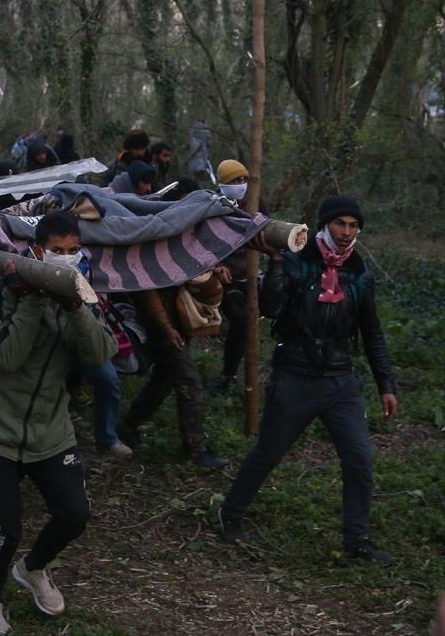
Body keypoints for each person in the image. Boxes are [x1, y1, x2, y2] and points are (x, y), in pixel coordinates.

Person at [217, 196, 398, 565]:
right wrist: (278, 261)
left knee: (359, 459)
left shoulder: (359, 272)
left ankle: (357, 540)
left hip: (340, 380)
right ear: (324, 225)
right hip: (295, 374)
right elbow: (270, 308)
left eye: (353, 225)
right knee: (268, 451)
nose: (347, 233)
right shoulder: (298, 259)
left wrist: (386, 385)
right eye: (339, 224)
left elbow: (372, 331)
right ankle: (230, 514)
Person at [0, 212, 116, 635]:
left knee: (74, 514)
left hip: (50, 428)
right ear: (36, 250)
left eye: (72, 251)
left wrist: (73, 306)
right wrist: (33, 298)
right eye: (56, 251)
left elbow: (100, 353)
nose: (65, 259)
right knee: (5, 527)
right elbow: (7, 358)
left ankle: (32, 569)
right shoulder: (4, 290)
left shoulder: (80, 292)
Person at [118, 268, 230, 468]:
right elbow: (146, 289)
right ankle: (195, 448)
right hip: (162, 324)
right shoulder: (147, 248)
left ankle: (129, 424)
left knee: (165, 378)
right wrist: (165, 328)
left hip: (174, 318)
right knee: (189, 381)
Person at [210, 159, 252, 393]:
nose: (241, 185)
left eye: (244, 180)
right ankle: (229, 374)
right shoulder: (211, 205)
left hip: (249, 274)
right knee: (241, 319)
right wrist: (215, 266)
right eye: (236, 180)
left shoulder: (253, 203)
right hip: (222, 277)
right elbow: (201, 241)